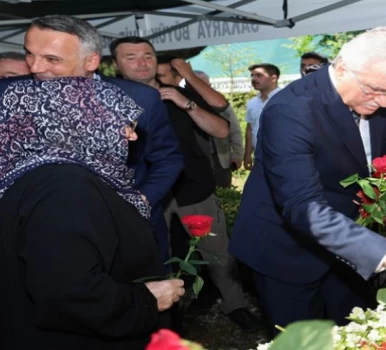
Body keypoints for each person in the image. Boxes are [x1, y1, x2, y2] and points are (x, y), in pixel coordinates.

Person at [229, 27, 386, 333]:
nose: (385, 103)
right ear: (343, 67)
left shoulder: (379, 88)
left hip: (350, 249)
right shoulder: (291, 110)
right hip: (284, 250)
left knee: (358, 330)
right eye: (376, 91)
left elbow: (378, 156)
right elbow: (301, 206)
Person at [0, 77, 185, 349]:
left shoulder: (25, 173)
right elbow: (67, 295)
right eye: (124, 124)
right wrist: (147, 300)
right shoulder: (64, 188)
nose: (132, 136)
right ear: (77, 123)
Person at [0, 15, 184, 265]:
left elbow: (167, 158)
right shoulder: (3, 94)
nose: (34, 67)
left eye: (52, 59)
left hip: (123, 228)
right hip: (36, 232)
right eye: (29, 54)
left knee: (140, 298)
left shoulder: (140, 98)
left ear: (91, 61)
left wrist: (142, 198)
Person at [111, 38, 261, 332]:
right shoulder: (108, 99)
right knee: (153, 256)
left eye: (148, 55)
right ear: (115, 64)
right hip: (144, 192)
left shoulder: (175, 95)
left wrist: (186, 103)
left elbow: (220, 128)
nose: (142, 62)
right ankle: (165, 316)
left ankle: (236, 305)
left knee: (216, 250)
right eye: (131, 57)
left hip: (192, 186)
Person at [162, 60, 244, 187]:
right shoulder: (178, 99)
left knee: (222, 189)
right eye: (194, 84)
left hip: (219, 157)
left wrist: (238, 154)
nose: (199, 88)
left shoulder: (217, 101)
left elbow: (234, 129)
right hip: (195, 158)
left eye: (203, 85)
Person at [243, 63, 281, 170]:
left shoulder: (286, 99)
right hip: (259, 158)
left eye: (259, 75)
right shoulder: (252, 103)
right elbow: (250, 129)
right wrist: (247, 155)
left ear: (273, 78)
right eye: (252, 75)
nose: (254, 79)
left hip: (283, 157)